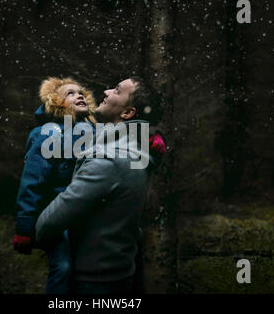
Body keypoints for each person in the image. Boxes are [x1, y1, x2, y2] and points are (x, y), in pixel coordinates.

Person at [35, 77, 165, 294]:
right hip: (118, 272)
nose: (105, 92)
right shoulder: (136, 152)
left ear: (127, 113)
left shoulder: (109, 161)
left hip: (94, 281)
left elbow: (47, 225)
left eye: (116, 90)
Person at [13, 77, 97, 294]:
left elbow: (124, 139)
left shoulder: (95, 132)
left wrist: (151, 141)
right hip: (54, 215)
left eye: (81, 93)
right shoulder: (47, 134)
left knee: (85, 271)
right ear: (56, 102)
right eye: (70, 93)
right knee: (63, 267)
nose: (78, 95)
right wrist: (24, 227)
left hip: (83, 215)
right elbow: (32, 182)